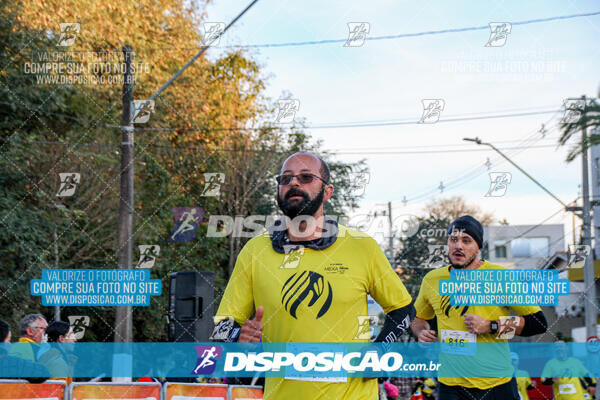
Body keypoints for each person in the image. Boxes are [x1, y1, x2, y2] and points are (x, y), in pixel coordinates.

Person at [213, 152, 415, 399]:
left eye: (306, 177)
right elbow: (222, 325)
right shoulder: (255, 251)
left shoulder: (362, 247)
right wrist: (238, 337)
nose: (294, 183)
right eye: (285, 179)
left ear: (327, 192)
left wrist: (380, 351)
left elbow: (404, 310)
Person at [410, 215, 548, 400]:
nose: (458, 246)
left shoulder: (501, 277)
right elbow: (417, 318)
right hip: (451, 386)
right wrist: (421, 332)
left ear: (478, 247)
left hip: (496, 384)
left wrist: (491, 326)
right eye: (453, 240)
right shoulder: (432, 279)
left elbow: (538, 323)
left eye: (466, 241)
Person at [38, 321, 77, 385]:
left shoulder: (49, 357)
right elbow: (59, 392)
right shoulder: (58, 363)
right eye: (71, 335)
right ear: (61, 339)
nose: (75, 339)